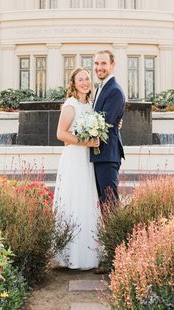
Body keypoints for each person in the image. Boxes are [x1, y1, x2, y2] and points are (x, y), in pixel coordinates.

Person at [53, 66, 101, 270]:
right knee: (73, 201)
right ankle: (69, 254)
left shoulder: (90, 104)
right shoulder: (70, 105)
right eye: (80, 79)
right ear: (73, 83)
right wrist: (86, 143)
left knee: (87, 202)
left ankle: (88, 254)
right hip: (74, 158)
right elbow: (61, 134)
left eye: (87, 79)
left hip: (87, 159)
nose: (85, 82)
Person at [91, 49, 126, 205]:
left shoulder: (115, 91)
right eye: (97, 63)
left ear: (112, 65)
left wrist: (73, 134)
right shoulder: (101, 88)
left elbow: (103, 123)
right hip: (100, 155)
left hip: (107, 156)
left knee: (110, 204)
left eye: (104, 63)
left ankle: (117, 231)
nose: (99, 67)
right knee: (103, 204)